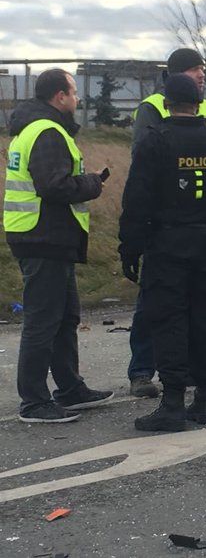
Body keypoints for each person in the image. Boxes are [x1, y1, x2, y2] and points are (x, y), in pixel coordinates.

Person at [119, 73, 206, 432]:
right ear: (199, 104)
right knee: (205, 316)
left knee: (169, 319)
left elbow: (136, 200)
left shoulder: (155, 143)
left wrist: (130, 247)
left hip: (167, 245)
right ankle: (203, 399)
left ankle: (173, 401)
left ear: (166, 102)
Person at [4, 68, 113, 423]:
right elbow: (53, 186)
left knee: (65, 317)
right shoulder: (47, 132)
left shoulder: (34, 128)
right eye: (74, 92)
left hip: (47, 237)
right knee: (43, 320)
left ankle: (70, 388)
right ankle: (34, 402)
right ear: (59, 96)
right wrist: (92, 184)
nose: (77, 98)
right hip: (42, 236)